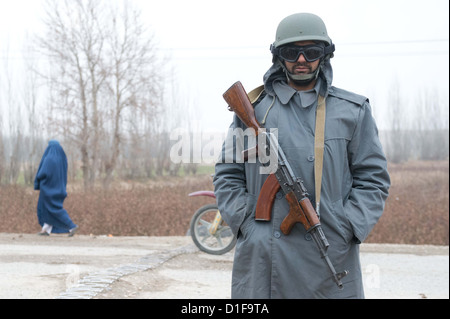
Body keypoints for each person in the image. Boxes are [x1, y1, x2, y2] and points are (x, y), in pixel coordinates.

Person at [214, 13, 390, 298]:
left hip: (329, 251)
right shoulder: (255, 111)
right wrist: (248, 222)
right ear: (277, 56)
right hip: (265, 259)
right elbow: (227, 174)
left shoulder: (352, 111)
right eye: (291, 52)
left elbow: (374, 180)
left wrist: (346, 225)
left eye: (311, 52)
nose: (301, 60)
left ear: (325, 55)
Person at [34, 140, 78, 237]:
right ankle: (46, 230)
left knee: (52, 209)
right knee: (48, 209)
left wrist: (38, 180)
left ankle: (71, 226)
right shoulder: (62, 159)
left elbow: (43, 173)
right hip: (60, 188)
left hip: (48, 189)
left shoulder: (49, 158)